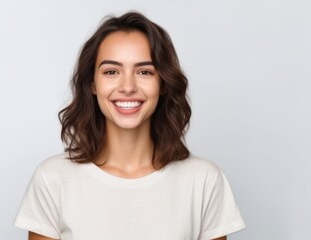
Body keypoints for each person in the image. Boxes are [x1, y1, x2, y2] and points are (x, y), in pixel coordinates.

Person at [15, 11, 245, 240]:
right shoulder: (53, 179)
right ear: (92, 84)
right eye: (111, 72)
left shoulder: (203, 180)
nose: (128, 86)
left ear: (163, 83)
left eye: (144, 71)